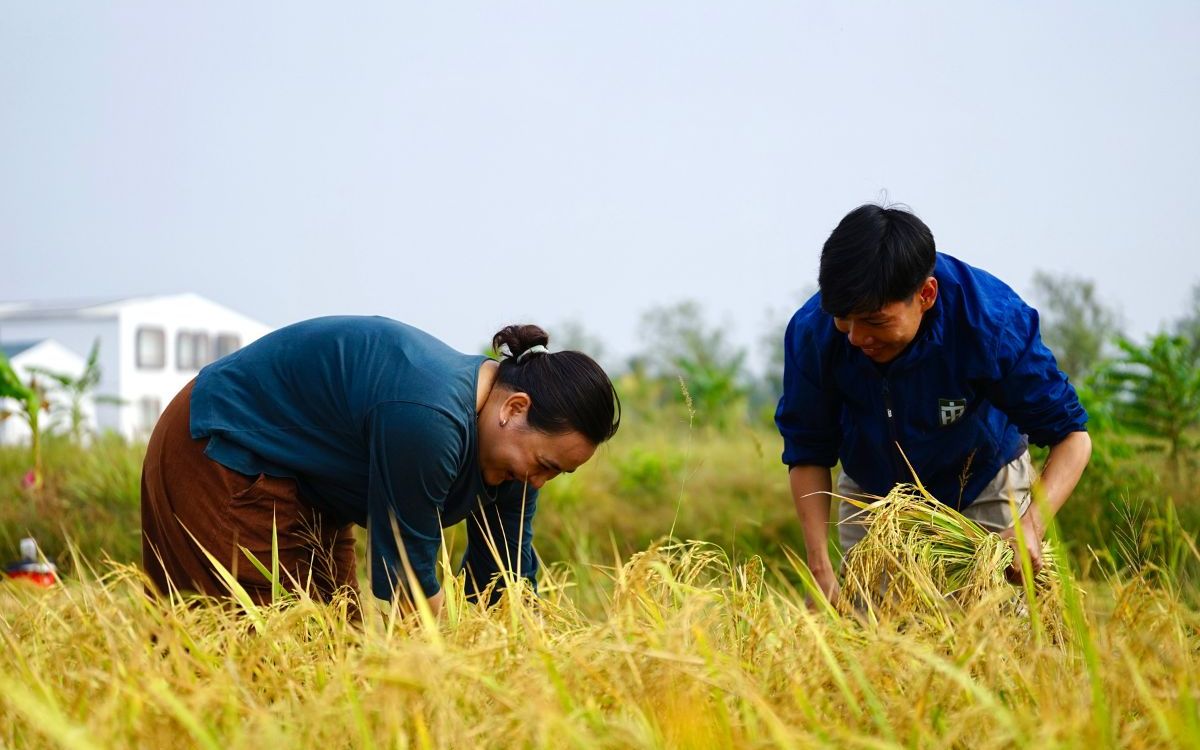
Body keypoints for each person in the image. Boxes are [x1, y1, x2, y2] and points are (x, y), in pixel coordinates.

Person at [141, 316, 620, 613]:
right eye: (544, 464)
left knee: (332, 645)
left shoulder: (516, 462)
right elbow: (409, 585)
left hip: (310, 488)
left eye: (557, 473)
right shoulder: (428, 419)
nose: (539, 482)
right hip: (227, 444)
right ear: (514, 408)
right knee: (258, 653)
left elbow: (506, 579)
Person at [775, 204, 1092, 605]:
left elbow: (1072, 437)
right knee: (872, 629)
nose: (855, 337)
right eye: (844, 319)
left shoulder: (989, 322)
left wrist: (1030, 526)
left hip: (982, 480)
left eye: (875, 321)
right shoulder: (814, 331)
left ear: (925, 295)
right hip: (874, 490)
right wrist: (819, 568)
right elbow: (808, 451)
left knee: (987, 627)